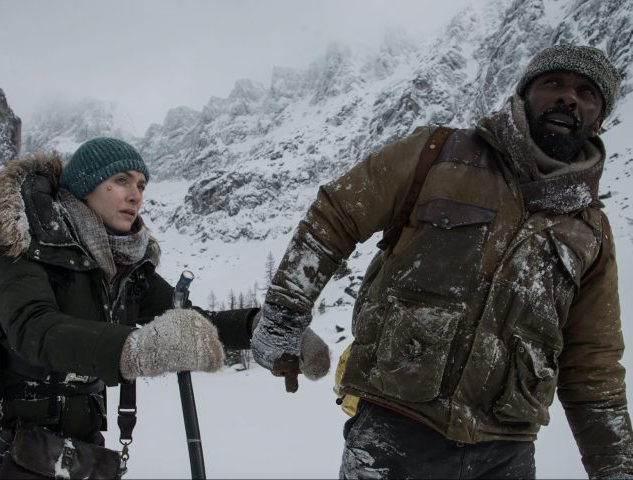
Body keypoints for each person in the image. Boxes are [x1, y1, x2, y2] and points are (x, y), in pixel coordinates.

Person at [251, 44, 633, 478]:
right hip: (395, 427)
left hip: (506, 451)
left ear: (599, 118)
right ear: (525, 94)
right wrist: (284, 313)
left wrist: (616, 469)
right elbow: (336, 215)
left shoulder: (591, 232)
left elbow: (593, 365)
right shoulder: (438, 153)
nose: (569, 97)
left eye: (587, 93)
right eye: (554, 83)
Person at [0, 137, 257, 478]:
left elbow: (192, 322)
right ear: (85, 185)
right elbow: (34, 328)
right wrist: (139, 348)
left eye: (140, 184)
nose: (135, 194)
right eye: (121, 180)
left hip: (74, 453)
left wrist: (259, 329)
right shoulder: (23, 238)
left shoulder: (127, 264)